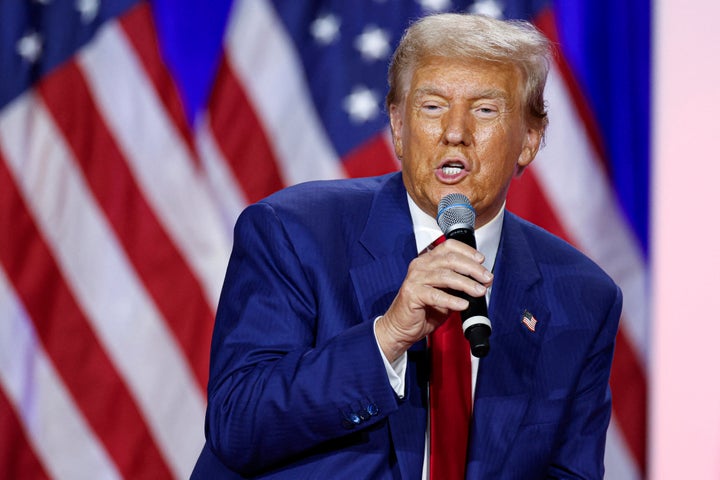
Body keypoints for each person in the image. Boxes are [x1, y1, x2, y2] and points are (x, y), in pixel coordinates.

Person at [191, 12, 622, 479]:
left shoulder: (582, 297)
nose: (454, 132)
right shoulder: (295, 233)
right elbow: (236, 425)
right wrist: (388, 336)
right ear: (398, 126)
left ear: (530, 140)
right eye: (432, 107)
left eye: (484, 109)